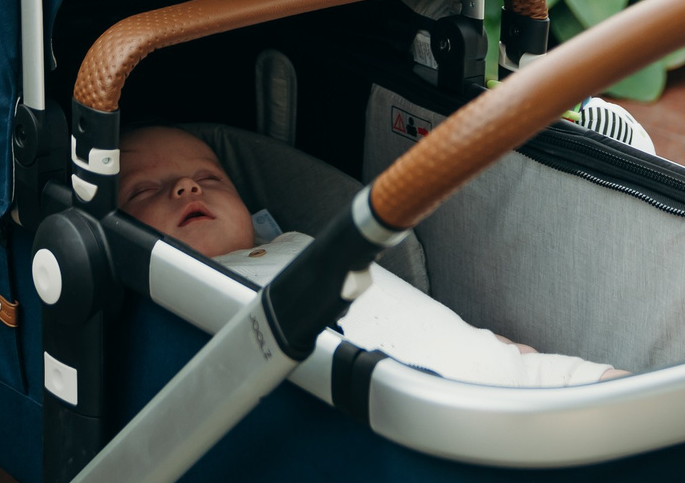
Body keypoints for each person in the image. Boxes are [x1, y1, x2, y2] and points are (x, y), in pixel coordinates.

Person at [116, 127, 622, 388]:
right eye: (143, 191)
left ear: (251, 211)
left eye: (209, 179)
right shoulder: (176, 306)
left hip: (508, 372)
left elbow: (407, 309)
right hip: (417, 414)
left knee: (639, 401)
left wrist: (501, 349)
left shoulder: (298, 241)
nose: (185, 186)